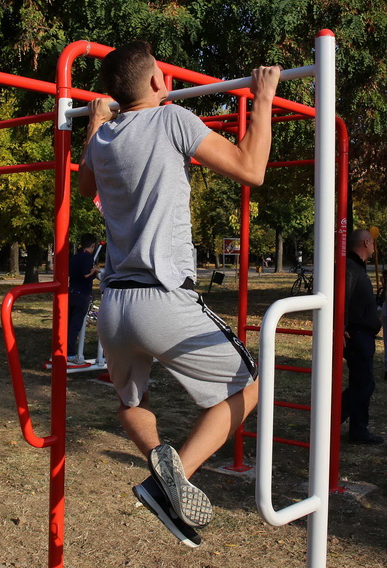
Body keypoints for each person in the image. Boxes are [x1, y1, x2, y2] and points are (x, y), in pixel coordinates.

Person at [78, 41, 280, 544]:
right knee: (249, 387)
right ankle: (174, 478)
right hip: (162, 298)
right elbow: (251, 169)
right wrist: (264, 98)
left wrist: (96, 120)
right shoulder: (172, 119)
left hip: (114, 307)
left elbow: (84, 187)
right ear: (156, 83)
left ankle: (158, 461)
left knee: (131, 402)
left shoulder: (102, 140)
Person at [341, 229, 384, 444]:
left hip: (362, 334)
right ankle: (331, 419)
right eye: (373, 242)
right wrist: (340, 326)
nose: (374, 247)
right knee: (364, 384)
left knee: (362, 382)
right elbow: (342, 298)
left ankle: (358, 430)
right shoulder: (349, 267)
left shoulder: (356, 267)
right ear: (366, 242)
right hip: (356, 335)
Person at [67, 234, 99, 364]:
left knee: (68, 324)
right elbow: (86, 274)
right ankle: (70, 354)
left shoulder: (74, 257)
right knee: (75, 325)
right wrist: (95, 271)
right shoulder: (87, 257)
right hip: (82, 295)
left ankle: (61, 350)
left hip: (71, 292)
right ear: (92, 245)